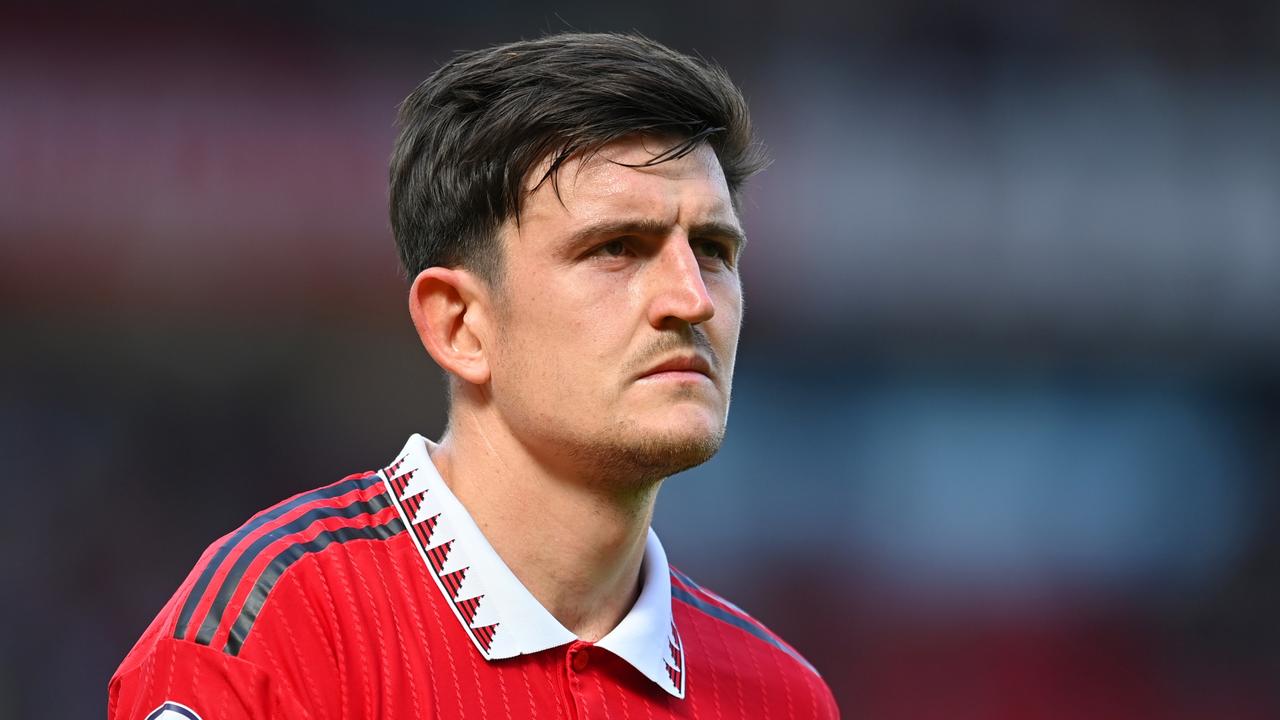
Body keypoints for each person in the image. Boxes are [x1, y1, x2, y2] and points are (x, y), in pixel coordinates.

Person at [109, 32, 839, 719]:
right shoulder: (277, 624)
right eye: (617, 247)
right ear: (459, 324)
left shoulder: (781, 696)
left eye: (712, 248)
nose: (692, 298)